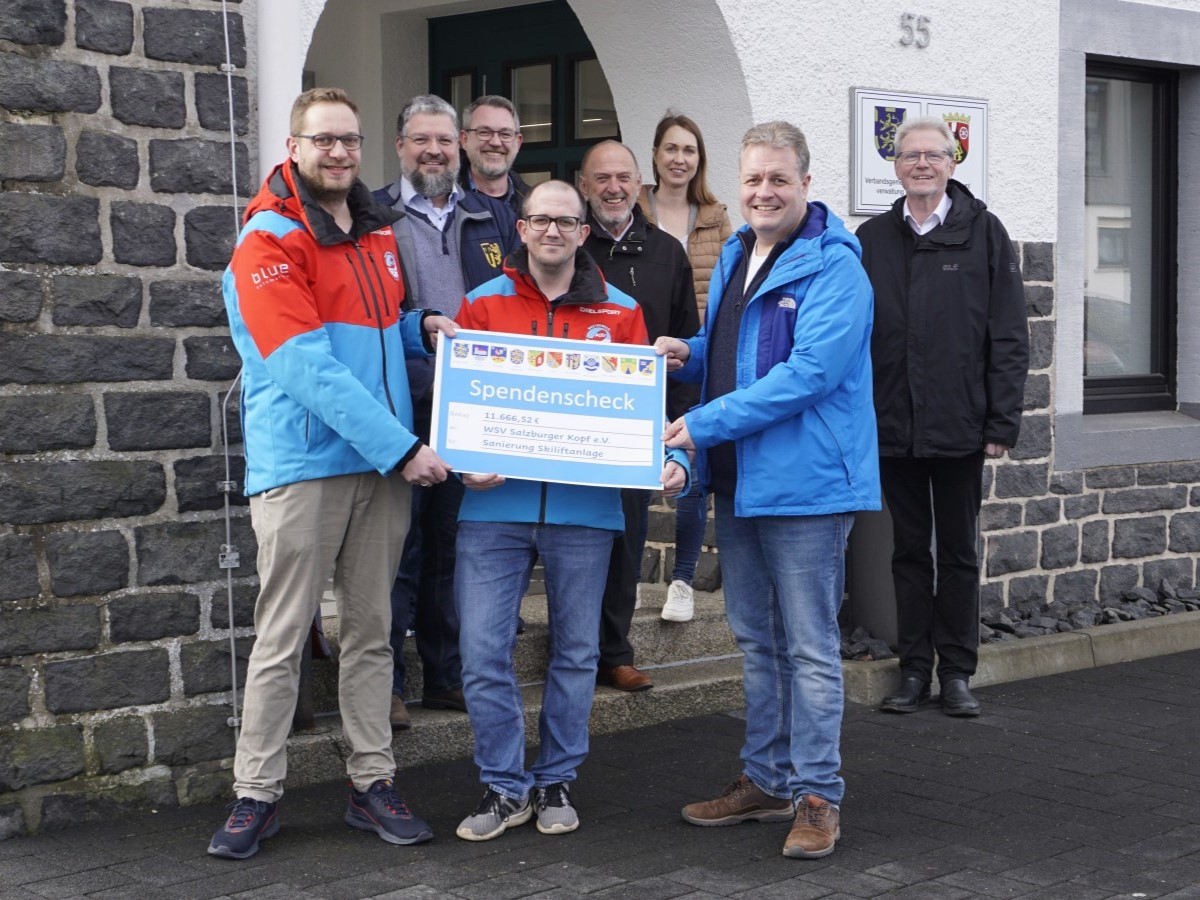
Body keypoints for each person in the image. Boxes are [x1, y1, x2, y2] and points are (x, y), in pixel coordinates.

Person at [210, 87, 456, 859]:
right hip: (309, 466)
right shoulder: (267, 240)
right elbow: (307, 368)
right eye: (324, 142)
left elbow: (374, 337)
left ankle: (371, 782)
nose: (340, 154)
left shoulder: (374, 233)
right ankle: (256, 793)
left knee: (372, 634)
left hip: (377, 466)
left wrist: (421, 328)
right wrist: (404, 447)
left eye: (350, 141)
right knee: (284, 635)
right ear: (294, 147)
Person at [656, 121, 879, 860]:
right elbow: (731, 354)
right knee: (758, 641)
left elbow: (806, 376)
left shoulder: (837, 269)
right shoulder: (734, 253)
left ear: (806, 185)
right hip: (742, 482)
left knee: (810, 648)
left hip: (808, 488)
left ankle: (819, 797)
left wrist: (703, 422)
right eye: (752, 179)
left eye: (778, 179)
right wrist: (685, 353)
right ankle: (767, 778)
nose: (763, 192)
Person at [451, 180, 690, 841]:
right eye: (540, 221)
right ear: (519, 232)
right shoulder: (480, 305)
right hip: (493, 508)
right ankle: (504, 787)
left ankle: (555, 778)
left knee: (579, 652)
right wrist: (462, 458)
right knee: (480, 651)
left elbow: (642, 415)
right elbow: (459, 407)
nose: (552, 231)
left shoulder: (623, 314)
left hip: (586, 511)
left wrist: (670, 460)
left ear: (585, 233)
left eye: (566, 221)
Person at [857, 116, 1029, 718]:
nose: (921, 164)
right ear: (896, 166)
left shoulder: (984, 233)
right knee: (908, 552)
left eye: (933, 155)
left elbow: (1008, 336)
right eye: (910, 156)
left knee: (957, 552)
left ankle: (957, 673)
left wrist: (1000, 423)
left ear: (953, 163)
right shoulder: (873, 238)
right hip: (893, 424)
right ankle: (913, 671)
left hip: (961, 426)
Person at [374, 94, 519, 730]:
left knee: (453, 549)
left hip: (471, 408)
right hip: (401, 405)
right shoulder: (371, 215)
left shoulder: (490, 216)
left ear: (456, 145)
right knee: (397, 550)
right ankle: (387, 683)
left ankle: (446, 674)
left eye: (442, 140)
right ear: (400, 146)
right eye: (419, 140)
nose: (433, 150)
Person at [579, 140, 700, 691]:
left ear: (639, 182)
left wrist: (677, 432)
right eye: (602, 178)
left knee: (627, 538)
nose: (613, 187)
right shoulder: (568, 243)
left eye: (623, 177)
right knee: (572, 539)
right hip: (574, 418)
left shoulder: (668, 252)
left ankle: (614, 651)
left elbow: (686, 345)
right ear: (585, 185)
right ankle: (573, 648)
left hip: (637, 425)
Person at [636, 112, 732, 623]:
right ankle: (625, 578)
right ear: (655, 154)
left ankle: (682, 581)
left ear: (699, 159)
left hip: (695, 356)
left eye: (689, 150)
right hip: (640, 352)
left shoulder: (716, 218)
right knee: (623, 471)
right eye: (671, 148)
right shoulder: (632, 208)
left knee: (691, 469)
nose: (679, 159)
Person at [458, 94, 530, 215]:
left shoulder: (535, 205)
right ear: (464, 140)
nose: (495, 142)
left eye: (505, 134)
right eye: (484, 132)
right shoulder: (441, 201)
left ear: (518, 142)